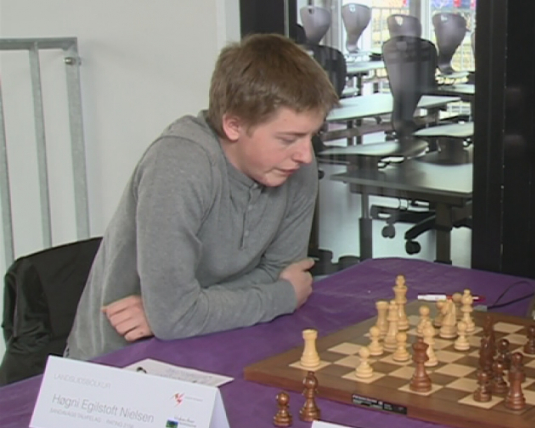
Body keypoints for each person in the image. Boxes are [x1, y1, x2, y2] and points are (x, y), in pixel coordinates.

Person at [66, 34, 339, 361]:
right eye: (288, 138)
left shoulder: (297, 165)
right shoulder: (180, 162)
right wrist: (278, 297)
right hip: (120, 361)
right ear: (234, 125)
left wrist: (176, 308)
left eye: (311, 135)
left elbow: (285, 272)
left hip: (227, 338)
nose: (306, 155)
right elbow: (284, 290)